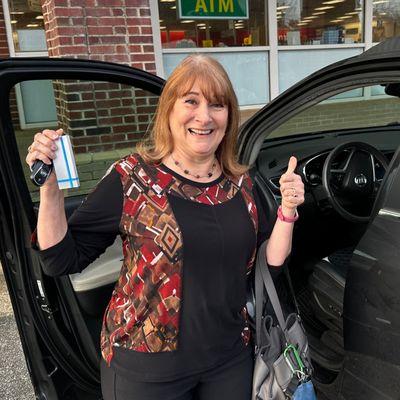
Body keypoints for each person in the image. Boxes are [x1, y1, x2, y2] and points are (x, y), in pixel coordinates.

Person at [26, 54, 305, 400]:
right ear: (169, 110)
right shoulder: (133, 179)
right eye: (191, 101)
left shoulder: (241, 184)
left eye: (217, 105)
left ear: (229, 116)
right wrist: (51, 188)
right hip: (146, 371)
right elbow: (60, 259)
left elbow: (268, 264)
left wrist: (287, 212)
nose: (204, 116)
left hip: (229, 357)